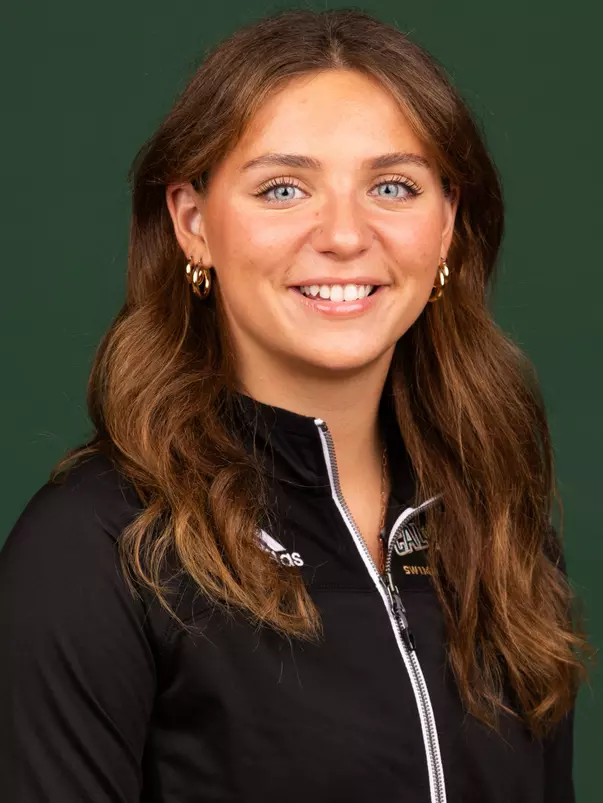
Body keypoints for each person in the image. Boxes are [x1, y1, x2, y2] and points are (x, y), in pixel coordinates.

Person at [0, 8, 593, 803]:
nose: (345, 235)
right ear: (192, 223)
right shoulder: (96, 550)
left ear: (446, 224)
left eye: (392, 186)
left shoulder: (495, 525)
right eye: (283, 188)